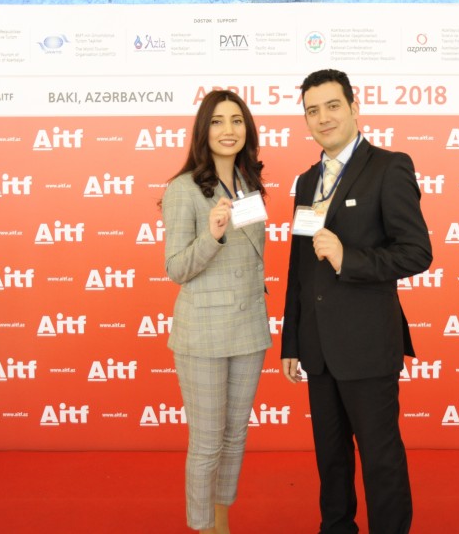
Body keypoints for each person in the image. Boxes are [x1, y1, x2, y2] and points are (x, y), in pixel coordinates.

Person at [281, 69, 433, 534]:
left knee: (380, 459)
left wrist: (350, 258)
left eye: (332, 106)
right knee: (331, 459)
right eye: (312, 110)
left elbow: (417, 253)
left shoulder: (389, 166)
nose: (323, 118)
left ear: (354, 107)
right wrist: (292, 341)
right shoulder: (307, 181)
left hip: (368, 345)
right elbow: (299, 269)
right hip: (319, 349)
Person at [162, 90, 272, 534]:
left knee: (235, 436)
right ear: (203, 131)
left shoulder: (249, 185)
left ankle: (221, 522)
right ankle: (201, 526)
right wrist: (211, 235)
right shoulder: (182, 189)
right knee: (207, 442)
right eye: (218, 121)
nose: (229, 130)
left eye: (237, 121)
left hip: (249, 328)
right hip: (204, 332)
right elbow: (176, 268)